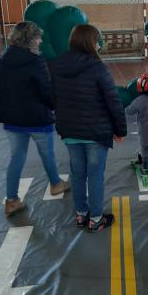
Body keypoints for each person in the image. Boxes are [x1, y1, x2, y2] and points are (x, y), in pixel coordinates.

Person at [52, 24, 127, 232]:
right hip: (95, 132)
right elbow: (113, 101)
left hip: (70, 131)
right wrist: (120, 130)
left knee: (77, 174)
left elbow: (53, 98)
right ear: (92, 42)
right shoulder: (97, 67)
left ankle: (81, 214)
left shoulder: (57, 65)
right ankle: (95, 218)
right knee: (95, 175)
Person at [0, 21, 68, 217]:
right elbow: (45, 90)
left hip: (11, 118)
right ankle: (55, 184)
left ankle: (11, 200)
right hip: (37, 117)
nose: (40, 40)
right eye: (38, 37)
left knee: (16, 157)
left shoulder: (1, 60)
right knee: (47, 154)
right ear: (31, 40)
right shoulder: (35, 62)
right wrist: (55, 106)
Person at [125, 71, 148, 177]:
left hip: (145, 132)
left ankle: (145, 167)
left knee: (145, 149)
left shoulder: (139, 100)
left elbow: (129, 111)